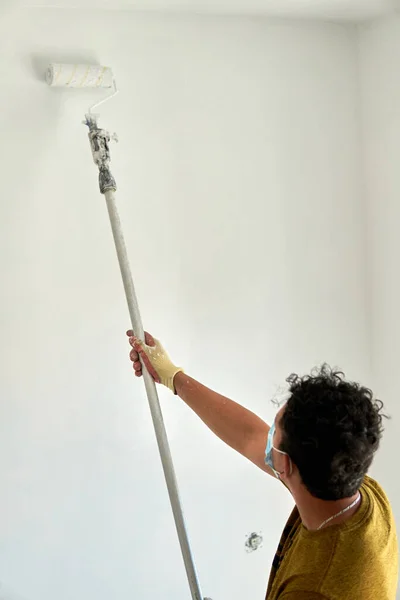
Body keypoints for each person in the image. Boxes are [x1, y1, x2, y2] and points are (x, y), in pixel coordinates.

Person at [126, 330, 398, 600]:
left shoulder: (315, 589)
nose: (267, 435)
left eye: (274, 432)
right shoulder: (352, 486)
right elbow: (249, 435)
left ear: (285, 464)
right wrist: (173, 377)